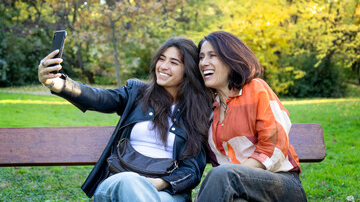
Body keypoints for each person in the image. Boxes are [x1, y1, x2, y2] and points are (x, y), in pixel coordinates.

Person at [38, 36, 213, 202]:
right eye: (161, 59)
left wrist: (157, 184)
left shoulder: (198, 112)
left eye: (174, 62)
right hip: (117, 181)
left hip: (165, 193)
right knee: (130, 182)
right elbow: (98, 98)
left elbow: (192, 170)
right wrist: (57, 83)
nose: (163, 66)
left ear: (188, 70)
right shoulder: (136, 94)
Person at [196, 31, 307, 202]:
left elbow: (274, 148)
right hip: (235, 190)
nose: (204, 63)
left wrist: (229, 175)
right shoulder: (209, 108)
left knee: (222, 173)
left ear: (230, 58)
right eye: (201, 57)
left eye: (212, 56)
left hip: (281, 185)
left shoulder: (256, 89)